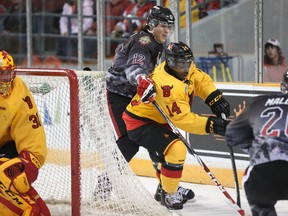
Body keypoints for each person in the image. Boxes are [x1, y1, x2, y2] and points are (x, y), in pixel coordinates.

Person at [122, 41, 230, 210]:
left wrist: (214, 97)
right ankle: (168, 194)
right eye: (181, 64)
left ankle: (164, 188)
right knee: (176, 150)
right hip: (140, 121)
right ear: (171, 63)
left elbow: (200, 79)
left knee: (164, 154)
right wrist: (211, 125)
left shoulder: (184, 68)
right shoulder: (166, 85)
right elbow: (183, 119)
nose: (186, 67)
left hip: (158, 118)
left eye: (188, 62)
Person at [106, 5, 195, 202]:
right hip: (120, 96)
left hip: (139, 97)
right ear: (153, 24)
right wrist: (142, 81)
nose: (166, 30)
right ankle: (105, 182)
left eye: (169, 27)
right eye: (163, 25)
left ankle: (166, 187)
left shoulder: (156, 44)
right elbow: (134, 69)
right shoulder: (144, 41)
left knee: (159, 140)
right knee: (129, 143)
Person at [225, 70, 288, 216]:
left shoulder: (260, 102)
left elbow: (232, 134)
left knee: (260, 204)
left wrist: (261, 150)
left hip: (262, 175)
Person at [0, 50, 50, 215]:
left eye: (7, 74)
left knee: (36, 210)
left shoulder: (17, 92)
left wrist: (29, 163)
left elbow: (31, 133)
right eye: (1, 74)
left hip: (5, 147)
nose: (6, 80)